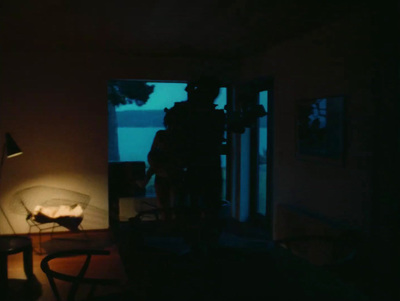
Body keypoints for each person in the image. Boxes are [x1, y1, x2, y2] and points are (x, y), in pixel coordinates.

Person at [164, 76, 226, 254]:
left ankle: (199, 243)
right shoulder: (201, 114)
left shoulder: (185, 113)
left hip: (196, 166)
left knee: (198, 206)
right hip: (198, 166)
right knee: (197, 206)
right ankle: (200, 243)